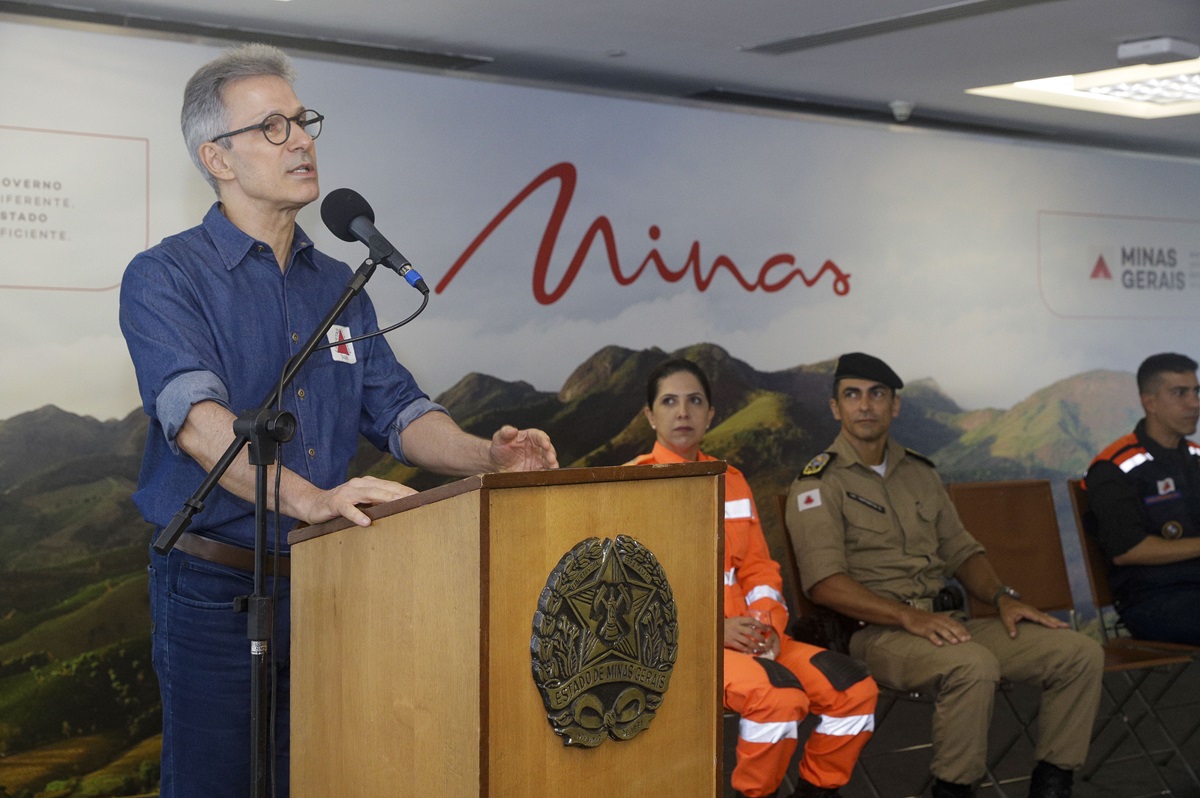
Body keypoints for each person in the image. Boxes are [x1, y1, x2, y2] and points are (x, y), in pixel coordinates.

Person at [118, 43, 558, 798]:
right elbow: (198, 425)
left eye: (304, 121)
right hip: (213, 589)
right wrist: (309, 499)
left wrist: (487, 455)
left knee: (326, 772)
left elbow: (399, 411)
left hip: (334, 583)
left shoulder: (342, 283)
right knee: (215, 784)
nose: (304, 141)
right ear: (216, 158)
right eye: (275, 127)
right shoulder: (165, 277)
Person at [786, 352, 1103, 798]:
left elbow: (961, 551)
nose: (865, 405)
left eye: (877, 395)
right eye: (852, 395)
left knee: (1079, 652)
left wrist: (1002, 597)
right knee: (972, 666)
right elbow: (824, 584)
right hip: (875, 634)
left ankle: (1052, 786)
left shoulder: (920, 473)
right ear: (836, 408)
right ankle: (954, 790)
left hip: (948, 625)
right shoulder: (818, 483)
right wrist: (905, 617)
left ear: (895, 405)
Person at [627, 358, 877, 798]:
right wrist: (714, 631)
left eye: (694, 401)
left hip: (752, 639)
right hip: (679, 646)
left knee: (853, 688)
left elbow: (761, 570)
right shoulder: (629, 485)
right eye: (669, 401)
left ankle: (818, 792)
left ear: (710, 414)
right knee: (780, 700)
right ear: (650, 415)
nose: (682, 412)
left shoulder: (734, 482)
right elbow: (628, 594)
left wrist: (768, 629)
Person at [1083, 352, 1200, 646]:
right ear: (1150, 403)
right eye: (1180, 393)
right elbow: (1128, 550)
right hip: (1155, 600)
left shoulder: (1197, 457)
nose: (1195, 403)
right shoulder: (1114, 466)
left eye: (1196, 391)